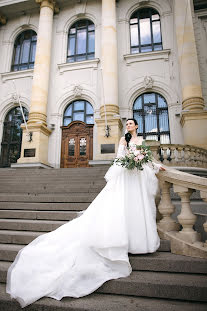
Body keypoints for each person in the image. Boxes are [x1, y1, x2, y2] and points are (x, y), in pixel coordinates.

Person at [6, 118, 166, 308]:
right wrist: (130, 159)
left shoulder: (141, 142)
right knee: (121, 210)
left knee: (135, 210)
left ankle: (137, 242)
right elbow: (119, 159)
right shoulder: (124, 141)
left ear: (137, 126)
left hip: (136, 178)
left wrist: (157, 166)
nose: (129, 126)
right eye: (128, 124)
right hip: (126, 176)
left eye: (131, 124)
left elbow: (147, 159)